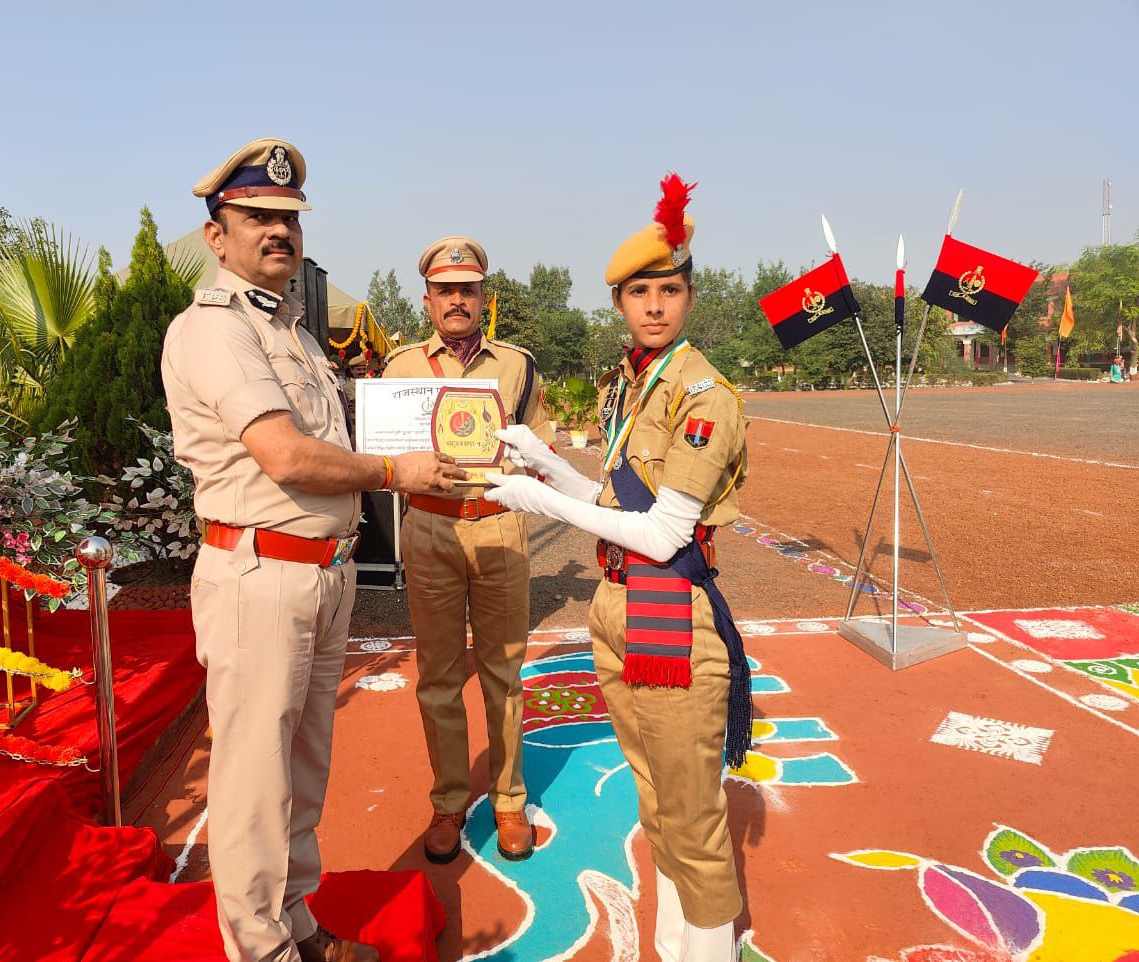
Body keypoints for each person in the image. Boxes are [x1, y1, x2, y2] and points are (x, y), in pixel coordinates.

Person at [161, 138, 466, 962]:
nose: (277, 232)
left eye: (289, 220)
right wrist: (398, 469)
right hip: (259, 578)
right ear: (215, 236)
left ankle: (296, 926)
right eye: (255, 217)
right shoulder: (215, 330)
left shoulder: (291, 330)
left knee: (299, 777)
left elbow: (324, 442)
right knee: (256, 785)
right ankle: (259, 951)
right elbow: (287, 455)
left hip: (317, 578)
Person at [484, 176, 752, 962]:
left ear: (690, 296)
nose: (656, 305)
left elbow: (665, 531)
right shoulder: (635, 381)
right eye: (641, 292)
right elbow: (612, 498)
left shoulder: (702, 394)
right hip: (616, 602)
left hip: (671, 606)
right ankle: (675, 944)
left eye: (670, 289)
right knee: (656, 799)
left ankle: (709, 950)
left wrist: (538, 500)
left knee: (692, 815)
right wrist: (543, 461)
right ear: (620, 304)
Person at [380, 237, 554, 863]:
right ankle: (450, 799)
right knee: (438, 677)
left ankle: (509, 800)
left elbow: (541, 446)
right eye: (445, 290)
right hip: (429, 529)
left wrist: (535, 474)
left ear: (484, 298)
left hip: (500, 527)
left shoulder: (519, 366)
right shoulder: (398, 369)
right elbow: (384, 454)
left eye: (468, 290)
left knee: (505, 673)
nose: (457, 301)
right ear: (427, 298)